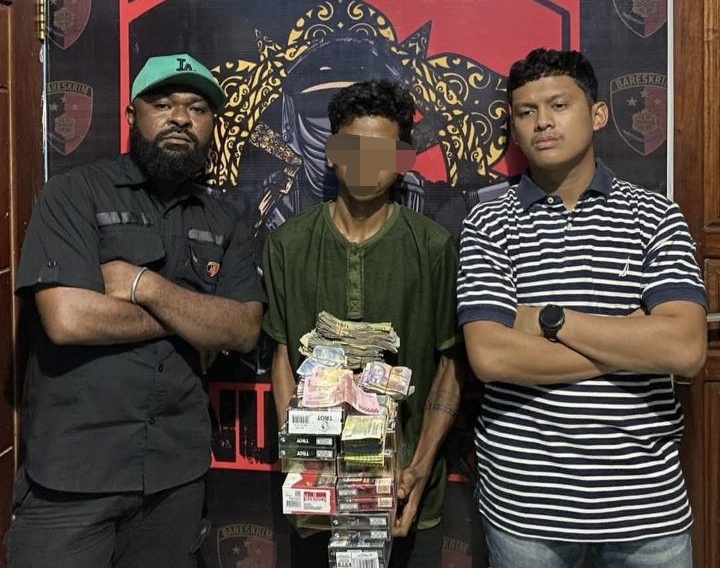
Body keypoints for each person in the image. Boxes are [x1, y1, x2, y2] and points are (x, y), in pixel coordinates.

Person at [4, 53, 266, 568]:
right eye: (162, 104)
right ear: (131, 116)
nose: (180, 118)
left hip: (174, 478)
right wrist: (192, 322)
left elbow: (243, 328)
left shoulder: (224, 219)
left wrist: (146, 286)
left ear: (212, 125)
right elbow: (68, 319)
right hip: (72, 477)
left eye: (197, 109)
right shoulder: (74, 194)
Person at [457, 48, 707, 568]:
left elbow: (684, 349)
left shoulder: (655, 215)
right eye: (526, 112)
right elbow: (491, 357)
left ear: (597, 114)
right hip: (526, 507)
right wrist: (632, 341)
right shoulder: (488, 223)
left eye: (558, 105)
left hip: (646, 504)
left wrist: (551, 320)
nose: (542, 122)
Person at [263, 80, 465, 568]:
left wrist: (419, 469)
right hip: (319, 498)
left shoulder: (434, 247)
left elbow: (450, 365)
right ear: (332, 154)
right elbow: (282, 357)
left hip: (405, 495)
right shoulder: (287, 244)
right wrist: (301, 466)